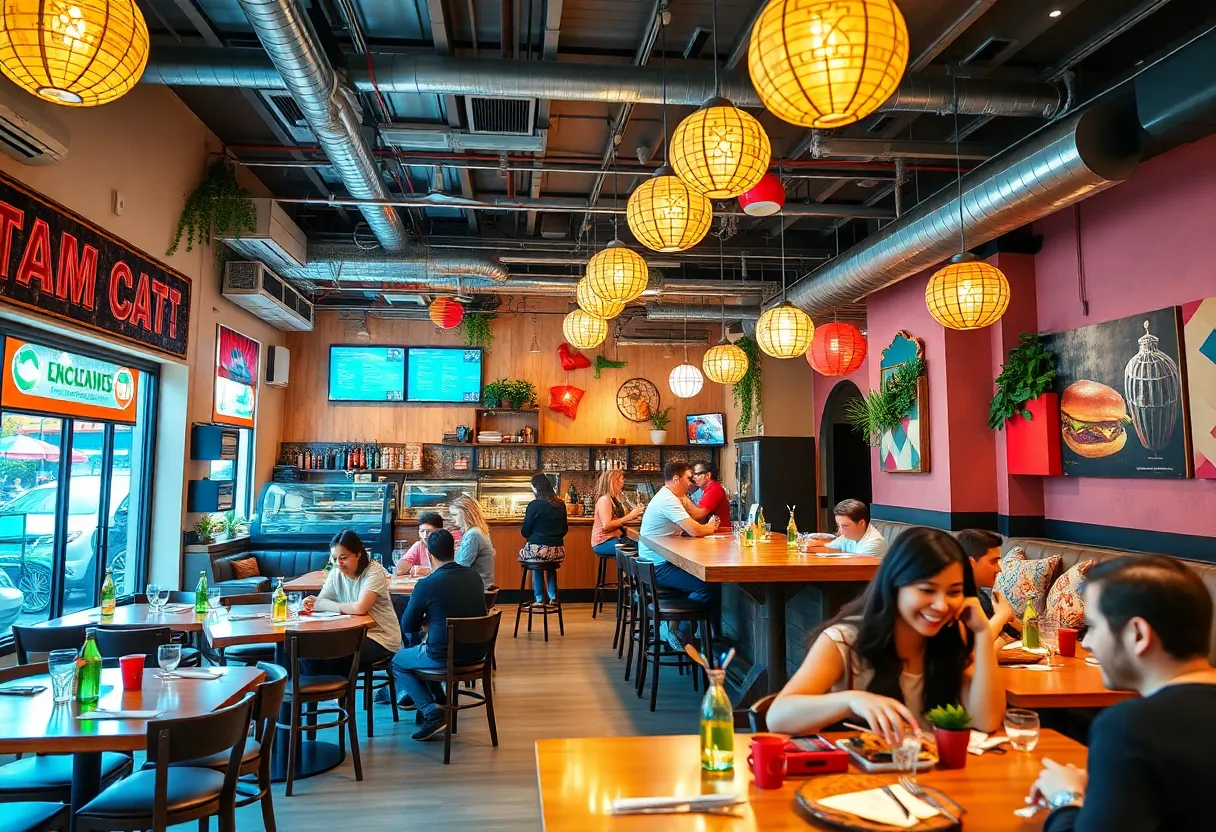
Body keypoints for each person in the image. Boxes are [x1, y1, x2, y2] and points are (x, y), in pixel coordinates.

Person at [1028, 555, 1216, 831]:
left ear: (1137, 634)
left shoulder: (1131, 725)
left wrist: (1065, 797)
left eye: (1092, 627)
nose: (1087, 643)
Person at [767, 526, 1003, 742]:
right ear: (894, 586)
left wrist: (982, 633)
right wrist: (851, 700)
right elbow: (777, 716)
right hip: (865, 773)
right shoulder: (844, 641)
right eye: (927, 590)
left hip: (936, 771)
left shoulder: (951, 634)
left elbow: (987, 721)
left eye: (953, 592)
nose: (941, 606)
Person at [390, 528, 488, 741]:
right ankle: (440, 698)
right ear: (454, 549)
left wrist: (428, 620)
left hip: (443, 656)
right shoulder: (473, 576)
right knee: (425, 651)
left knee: (399, 662)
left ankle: (431, 712)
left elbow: (408, 626)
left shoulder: (426, 584)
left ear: (429, 554)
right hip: (478, 653)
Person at [637, 461, 721, 649]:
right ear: (676, 479)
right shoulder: (668, 499)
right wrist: (710, 527)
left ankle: (683, 630)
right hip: (657, 566)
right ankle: (676, 631)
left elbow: (691, 522)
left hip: (651, 563)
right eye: (688, 478)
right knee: (707, 586)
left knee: (702, 581)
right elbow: (695, 530)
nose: (691, 483)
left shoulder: (668, 495)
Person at [301, 529, 403, 670]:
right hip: (349, 633)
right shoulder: (335, 572)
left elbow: (360, 608)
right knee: (304, 650)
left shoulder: (373, 571)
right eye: (334, 558)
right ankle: (310, 685)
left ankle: (338, 685)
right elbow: (320, 602)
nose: (339, 563)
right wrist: (317, 603)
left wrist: (324, 604)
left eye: (343, 558)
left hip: (380, 637)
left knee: (330, 654)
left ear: (358, 554)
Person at [956, 528, 1019, 642]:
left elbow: (1013, 633)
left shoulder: (980, 594)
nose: (999, 569)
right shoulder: (961, 600)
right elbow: (976, 649)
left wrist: (1009, 615)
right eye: (993, 562)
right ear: (970, 564)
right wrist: (1002, 615)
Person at [519, 473, 568, 607]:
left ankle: (539, 599)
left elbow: (525, 531)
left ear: (535, 488)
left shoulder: (534, 505)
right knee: (549, 564)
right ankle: (553, 597)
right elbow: (564, 530)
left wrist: (536, 536)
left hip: (539, 551)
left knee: (536, 560)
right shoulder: (561, 504)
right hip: (558, 551)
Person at [802, 499, 888, 557]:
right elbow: (829, 547)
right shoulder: (849, 535)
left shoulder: (874, 543)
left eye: (845, 526)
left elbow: (855, 570)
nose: (840, 532)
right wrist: (814, 543)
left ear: (862, 523)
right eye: (838, 526)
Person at [591, 469, 643, 556]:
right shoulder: (605, 499)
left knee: (640, 546)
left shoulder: (613, 499)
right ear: (613, 480)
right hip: (603, 542)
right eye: (621, 480)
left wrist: (633, 518)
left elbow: (617, 520)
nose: (623, 483)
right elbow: (607, 526)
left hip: (614, 538)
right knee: (637, 549)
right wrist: (629, 516)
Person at [450, 494, 496, 589]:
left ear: (466, 514)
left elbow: (459, 566)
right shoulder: (478, 531)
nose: (452, 519)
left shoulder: (473, 535)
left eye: (455, 515)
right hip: (480, 585)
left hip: (475, 588)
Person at [681, 462, 731, 529]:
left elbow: (699, 515)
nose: (693, 478)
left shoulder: (714, 489)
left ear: (708, 475)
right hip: (711, 531)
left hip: (720, 532)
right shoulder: (706, 489)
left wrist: (681, 496)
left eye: (696, 474)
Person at [394, 511, 444, 576]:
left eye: (429, 531)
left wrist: (425, 571)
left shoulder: (448, 545)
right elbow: (399, 570)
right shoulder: (419, 546)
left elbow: (451, 571)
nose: (425, 536)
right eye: (422, 531)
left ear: (440, 531)